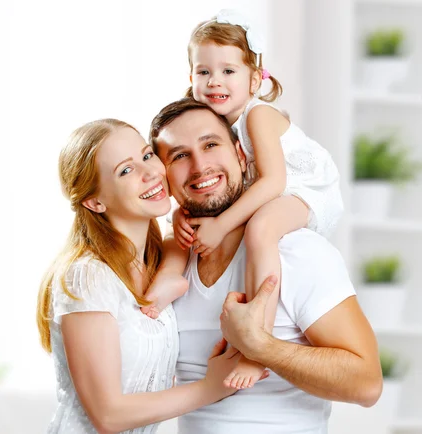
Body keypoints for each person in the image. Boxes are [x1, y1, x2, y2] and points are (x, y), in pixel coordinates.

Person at [148, 97, 382, 433]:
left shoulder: (297, 251)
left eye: (211, 144)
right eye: (180, 156)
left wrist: (260, 346)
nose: (200, 166)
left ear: (242, 157)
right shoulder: (169, 266)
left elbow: (367, 383)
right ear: (165, 177)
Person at [141, 9, 344, 390]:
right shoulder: (218, 123)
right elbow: (213, 189)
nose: (215, 81)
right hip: (273, 190)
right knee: (197, 226)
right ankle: (171, 282)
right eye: (204, 72)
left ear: (255, 79)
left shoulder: (257, 116)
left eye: (228, 71)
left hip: (306, 189)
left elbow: (272, 182)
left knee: (261, 230)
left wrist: (220, 224)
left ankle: (256, 344)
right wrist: (182, 215)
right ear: (190, 78)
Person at [36, 118, 269, 434]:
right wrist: (212, 387)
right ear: (95, 201)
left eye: (147, 156)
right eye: (125, 171)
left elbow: (177, 242)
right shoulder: (88, 277)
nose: (150, 173)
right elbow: (108, 415)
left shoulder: (159, 262)